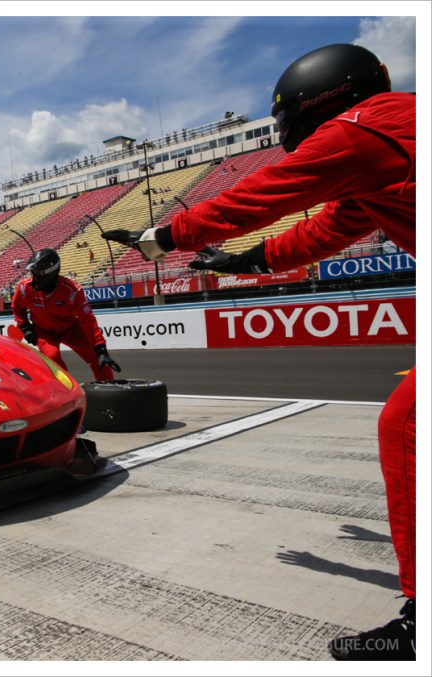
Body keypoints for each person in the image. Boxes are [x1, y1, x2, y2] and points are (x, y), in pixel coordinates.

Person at [103, 43, 415, 660]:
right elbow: (327, 229)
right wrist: (245, 261)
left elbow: (262, 194)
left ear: (317, 102)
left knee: (405, 428)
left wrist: (165, 237)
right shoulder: (390, 138)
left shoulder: (362, 127)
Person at [11, 248, 120, 381]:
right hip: (44, 333)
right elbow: (17, 307)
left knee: (99, 358)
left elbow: (87, 320)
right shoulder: (24, 288)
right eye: (32, 272)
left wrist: (101, 349)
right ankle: (65, 389)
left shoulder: (72, 291)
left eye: (38, 272)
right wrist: (25, 327)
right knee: (52, 358)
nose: (33, 277)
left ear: (51, 272)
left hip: (71, 329)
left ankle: (108, 387)